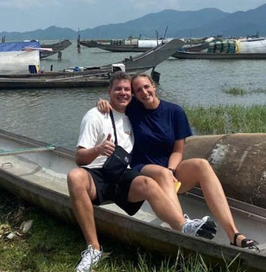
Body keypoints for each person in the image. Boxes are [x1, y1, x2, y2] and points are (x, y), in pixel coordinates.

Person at [67, 71, 217, 272]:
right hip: (96, 174)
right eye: (118, 89)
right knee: (74, 176)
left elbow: (151, 106)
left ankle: (184, 225)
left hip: (122, 173)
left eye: (127, 90)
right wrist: (98, 149)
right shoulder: (95, 115)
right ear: (109, 92)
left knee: (148, 183)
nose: (123, 93)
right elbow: (79, 159)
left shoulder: (131, 115)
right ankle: (93, 249)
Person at [98, 73, 257, 250]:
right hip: (142, 168)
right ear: (135, 95)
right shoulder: (133, 109)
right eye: (138, 90)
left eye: (146, 87)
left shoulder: (175, 112)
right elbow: (117, 100)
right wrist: (102, 102)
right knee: (163, 173)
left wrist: (172, 170)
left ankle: (233, 234)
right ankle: (182, 228)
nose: (144, 92)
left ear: (154, 87)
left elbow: (177, 150)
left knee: (201, 165)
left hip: (170, 169)